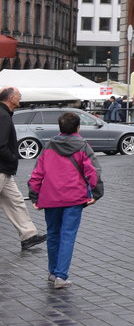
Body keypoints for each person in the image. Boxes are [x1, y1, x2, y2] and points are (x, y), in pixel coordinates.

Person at [28, 111, 100, 288]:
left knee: (53, 235)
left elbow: (37, 173)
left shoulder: (49, 146)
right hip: (74, 197)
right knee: (67, 236)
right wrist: (96, 194)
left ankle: (52, 273)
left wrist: (34, 195)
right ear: (78, 127)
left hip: (50, 198)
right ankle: (61, 276)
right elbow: (93, 172)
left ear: (59, 127)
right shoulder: (83, 146)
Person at [0, 87, 47, 251]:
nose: (20, 98)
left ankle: (28, 236)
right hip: (2, 168)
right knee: (16, 202)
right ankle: (28, 235)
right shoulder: (3, 117)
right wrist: (12, 158)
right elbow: (1, 145)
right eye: (19, 96)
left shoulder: (4, 114)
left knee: (16, 202)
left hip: (5, 170)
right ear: (11, 98)